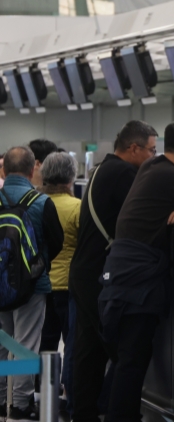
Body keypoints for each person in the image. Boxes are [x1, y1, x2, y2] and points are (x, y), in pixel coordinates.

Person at [98, 120, 174, 422]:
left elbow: (161, 202)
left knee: (126, 357)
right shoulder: (172, 176)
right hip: (138, 281)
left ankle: (115, 414)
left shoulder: (151, 167)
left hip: (121, 272)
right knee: (133, 359)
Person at [69, 121, 158, 422]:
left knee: (90, 350)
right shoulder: (123, 174)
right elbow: (145, 213)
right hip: (101, 275)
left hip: (84, 271)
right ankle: (119, 413)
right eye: (151, 150)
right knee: (123, 351)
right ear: (133, 148)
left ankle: (84, 413)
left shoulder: (102, 169)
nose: (153, 157)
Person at [0, 146, 64, 422]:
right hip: (32, 287)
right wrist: (38, 267)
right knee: (24, 345)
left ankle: (0, 399)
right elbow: (57, 241)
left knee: (3, 344)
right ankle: (20, 403)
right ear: (32, 169)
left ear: (3, 170)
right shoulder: (41, 202)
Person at [38, 152, 81, 418]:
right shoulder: (77, 207)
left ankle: (44, 396)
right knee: (72, 344)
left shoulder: (37, 204)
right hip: (69, 287)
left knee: (45, 345)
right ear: (71, 176)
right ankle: (69, 397)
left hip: (41, 286)